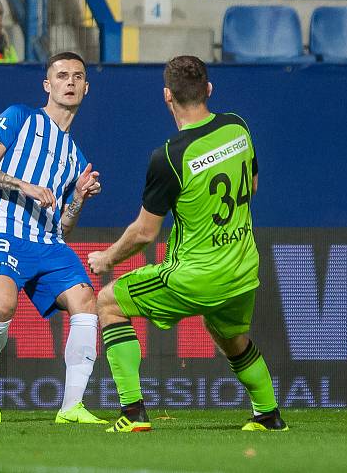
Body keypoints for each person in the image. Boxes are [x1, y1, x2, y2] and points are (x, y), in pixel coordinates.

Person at [87, 55, 288, 433]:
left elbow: (145, 233)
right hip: (242, 269)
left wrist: (107, 258)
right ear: (208, 90)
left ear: (167, 96)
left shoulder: (169, 157)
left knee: (108, 302)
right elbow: (254, 187)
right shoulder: (237, 128)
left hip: (196, 274)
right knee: (232, 339)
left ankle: (132, 415)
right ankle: (268, 415)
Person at [0, 51, 105, 424]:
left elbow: (63, 228)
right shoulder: (20, 118)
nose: (70, 82)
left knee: (86, 302)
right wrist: (23, 184)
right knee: (0, 307)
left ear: (86, 88)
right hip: (4, 227)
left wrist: (77, 197)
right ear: (48, 84)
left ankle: (72, 407)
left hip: (45, 240)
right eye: (62, 76)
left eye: (77, 76)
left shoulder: (75, 157)